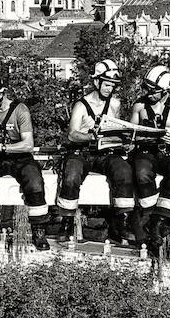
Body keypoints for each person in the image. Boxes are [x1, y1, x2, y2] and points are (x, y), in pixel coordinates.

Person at [55, 60, 142, 244]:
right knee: (71, 176)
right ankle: (67, 221)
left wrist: (122, 140)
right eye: (107, 84)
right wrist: (91, 137)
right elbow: (72, 134)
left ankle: (122, 221)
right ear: (97, 82)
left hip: (105, 152)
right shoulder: (81, 105)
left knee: (123, 171)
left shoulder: (114, 104)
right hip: (82, 151)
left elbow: (116, 127)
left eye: (112, 86)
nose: (109, 89)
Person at [0, 72, 50, 251]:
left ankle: (38, 230)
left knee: (34, 181)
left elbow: (28, 145)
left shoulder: (20, 110)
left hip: (19, 157)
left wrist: (0, 147)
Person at [129, 65, 170, 249]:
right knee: (141, 171)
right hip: (147, 151)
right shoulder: (139, 106)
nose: (148, 93)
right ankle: (148, 214)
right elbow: (131, 133)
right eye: (146, 89)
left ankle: (161, 219)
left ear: (164, 90)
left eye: (153, 91)